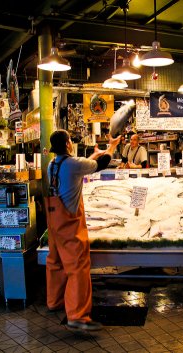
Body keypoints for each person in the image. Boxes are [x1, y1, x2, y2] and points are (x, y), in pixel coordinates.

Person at [45, 129, 121, 331]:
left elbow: (81, 166)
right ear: (69, 144)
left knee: (55, 262)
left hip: (53, 222)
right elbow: (102, 165)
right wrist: (112, 146)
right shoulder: (73, 164)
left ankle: (54, 301)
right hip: (69, 224)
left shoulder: (52, 164)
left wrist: (95, 154)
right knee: (77, 268)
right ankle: (77, 317)